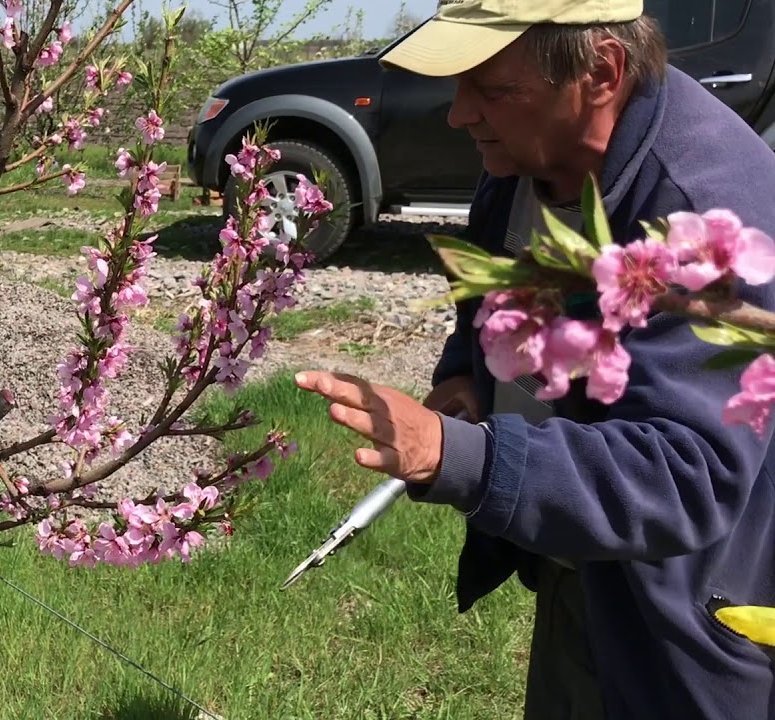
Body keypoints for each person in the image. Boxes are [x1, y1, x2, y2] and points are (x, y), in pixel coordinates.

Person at [293, 1, 775, 718]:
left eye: (493, 88)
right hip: (584, 565)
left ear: (602, 72)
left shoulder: (700, 217)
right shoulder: (530, 157)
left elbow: (688, 477)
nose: (460, 114)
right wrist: (466, 373)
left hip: (683, 613)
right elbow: (488, 298)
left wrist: (456, 457)